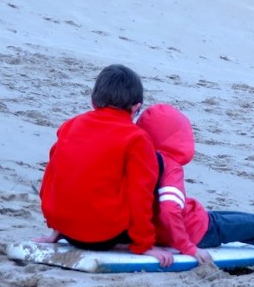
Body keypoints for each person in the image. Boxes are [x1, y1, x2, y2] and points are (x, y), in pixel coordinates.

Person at [137, 103, 254, 271]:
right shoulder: (169, 166)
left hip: (186, 221)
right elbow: (168, 210)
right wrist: (188, 247)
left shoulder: (136, 161)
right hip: (198, 230)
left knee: (232, 217)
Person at [37, 64, 174, 266]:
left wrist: (57, 227)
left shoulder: (70, 125)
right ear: (136, 107)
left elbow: (53, 177)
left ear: (93, 101)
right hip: (104, 236)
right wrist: (144, 245)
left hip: (66, 230)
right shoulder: (136, 138)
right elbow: (140, 195)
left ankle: (60, 229)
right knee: (158, 162)